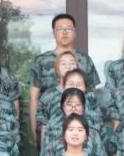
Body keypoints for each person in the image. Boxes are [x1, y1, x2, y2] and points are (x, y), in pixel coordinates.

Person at [31, 14, 99, 142]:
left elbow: (92, 94)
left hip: (81, 131)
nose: (64, 32)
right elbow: (34, 97)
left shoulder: (85, 60)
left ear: (75, 32)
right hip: (52, 128)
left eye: (68, 28)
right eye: (60, 29)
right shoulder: (42, 60)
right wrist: (35, 131)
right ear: (53, 33)